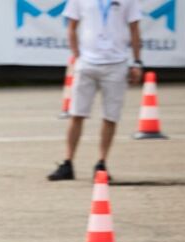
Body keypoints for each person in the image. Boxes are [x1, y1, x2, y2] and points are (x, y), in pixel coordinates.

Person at [48, 0, 143, 181]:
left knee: (110, 116)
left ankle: (101, 162)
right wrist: (77, 56)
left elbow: (135, 29)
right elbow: (72, 26)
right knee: (76, 113)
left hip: (116, 63)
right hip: (88, 63)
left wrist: (137, 62)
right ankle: (68, 162)